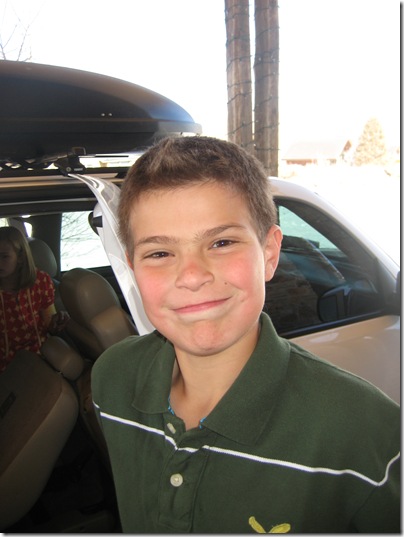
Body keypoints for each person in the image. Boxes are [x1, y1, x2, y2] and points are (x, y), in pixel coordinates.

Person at [91, 136, 400, 533]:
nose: (192, 276)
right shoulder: (112, 377)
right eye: (160, 253)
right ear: (133, 267)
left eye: (221, 243)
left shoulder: (367, 432)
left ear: (269, 253)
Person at [0, 226, 70, 372]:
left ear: (20, 257)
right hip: (6, 363)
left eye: (4, 256)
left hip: (40, 354)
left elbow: (49, 322)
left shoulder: (40, 282)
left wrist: (57, 320)